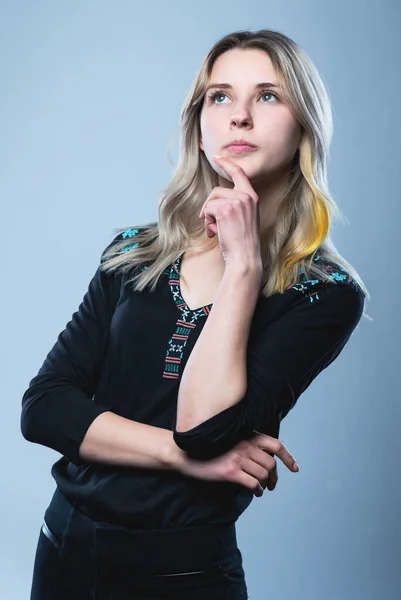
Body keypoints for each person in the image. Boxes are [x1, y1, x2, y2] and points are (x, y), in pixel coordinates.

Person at [21, 28, 370, 600]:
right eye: (220, 96)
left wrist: (243, 270)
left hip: (181, 573)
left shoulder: (325, 293)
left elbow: (203, 430)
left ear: (305, 123)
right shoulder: (133, 251)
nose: (239, 117)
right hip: (64, 550)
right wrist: (182, 461)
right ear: (199, 123)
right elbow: (44, 409)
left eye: (268, 96)